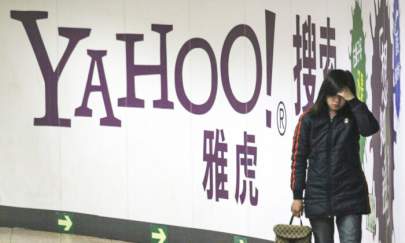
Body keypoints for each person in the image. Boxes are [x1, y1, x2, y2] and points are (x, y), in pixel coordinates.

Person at [290, 69, 379, 243]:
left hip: (350, 195)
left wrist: (352, 100)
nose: (336, 101)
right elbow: (298, 159)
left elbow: (370, 128)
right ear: (324, 93)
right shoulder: (309, 119)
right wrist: (297, 196)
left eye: (341, 96)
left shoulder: (354, 115)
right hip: (318, 195)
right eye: (332, 95)